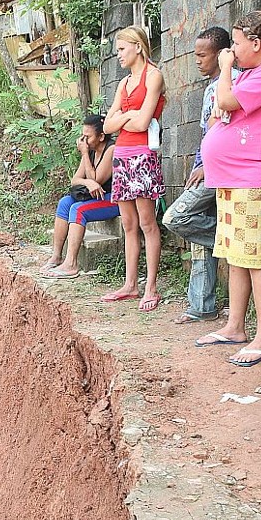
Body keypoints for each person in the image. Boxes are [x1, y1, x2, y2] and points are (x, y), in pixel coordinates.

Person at [197, 10, 261, 366]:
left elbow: (224, 102)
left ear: (256, 43)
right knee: (237, 255)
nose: (232, 51)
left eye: (236, 44)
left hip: (253, 178)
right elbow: (219, 113)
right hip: (234, 177)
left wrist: (225, 71)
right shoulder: (255, 72)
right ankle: (235, 327)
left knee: (257, 258)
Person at [162, 26, 232, 324]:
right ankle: (202, 305)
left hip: (220, 169)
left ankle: (231, 242)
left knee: (175, 217)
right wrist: (198, 164)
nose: (197, 60)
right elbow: (207, 133)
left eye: (202, 55)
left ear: (220, 54)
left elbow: (226, 130)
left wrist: (206, 166)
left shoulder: (230, 83)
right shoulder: (210, 86)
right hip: (205, 166)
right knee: (199, 240)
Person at [103, 26, 166, 312]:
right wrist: (130, 114)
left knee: (147, 222)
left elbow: (143, 125)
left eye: (121, 49)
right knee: (128, 223)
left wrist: (123, 117)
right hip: (123, 155)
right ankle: (130, 284)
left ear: (138, 47)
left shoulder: (153, 76)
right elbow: (106, 126)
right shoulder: (124, 83)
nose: (118, 55)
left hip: (142, 155)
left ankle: (151, 286)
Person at [41, 114, 118, 279]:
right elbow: (75, 180)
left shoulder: (110, 149)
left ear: (101, 136)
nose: (83, 140)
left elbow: (97, 179)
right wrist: (89, 183)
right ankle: (56, 256)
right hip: (96, 197)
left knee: (78, 209)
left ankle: (71, 264)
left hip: (114, 199)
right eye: (82, 136)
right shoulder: (90, 151)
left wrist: (85, 157)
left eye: (88, 137)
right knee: (64, 203)